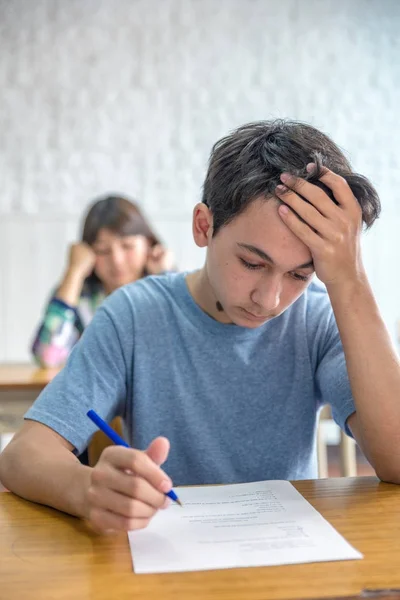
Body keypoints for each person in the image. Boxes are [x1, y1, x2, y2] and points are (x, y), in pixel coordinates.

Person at [1, 120, 400, 536]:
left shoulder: (318, 318)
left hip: (288, 564)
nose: (270, 299)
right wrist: (87, 489)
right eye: (251, 263)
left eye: (300, 275)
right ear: (203, 226)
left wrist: (349, 279)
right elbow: (22, 456)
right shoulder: (134, 316)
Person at [31, 195, 174, 367]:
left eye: (127, 246)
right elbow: (47, 357)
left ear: (148, 244)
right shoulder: (78, 295)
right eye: (103, 250)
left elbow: (179, 350)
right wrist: (74, 272)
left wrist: (165, 277)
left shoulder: (167, 286)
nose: (117, 260)